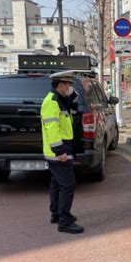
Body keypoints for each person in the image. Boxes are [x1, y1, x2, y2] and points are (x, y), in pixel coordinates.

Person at [40, 71, 84, 234]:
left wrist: (74, 93)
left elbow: (73, 107)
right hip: (59, 150)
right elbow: (52, 129)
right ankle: (64, 221)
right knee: (68, 185)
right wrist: (60, 151)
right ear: (61, 85)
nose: (70, 87)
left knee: (57, 183)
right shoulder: (52, 102)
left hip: (61, 148)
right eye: (68, 84)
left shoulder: (60, 99)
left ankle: (56, 215)